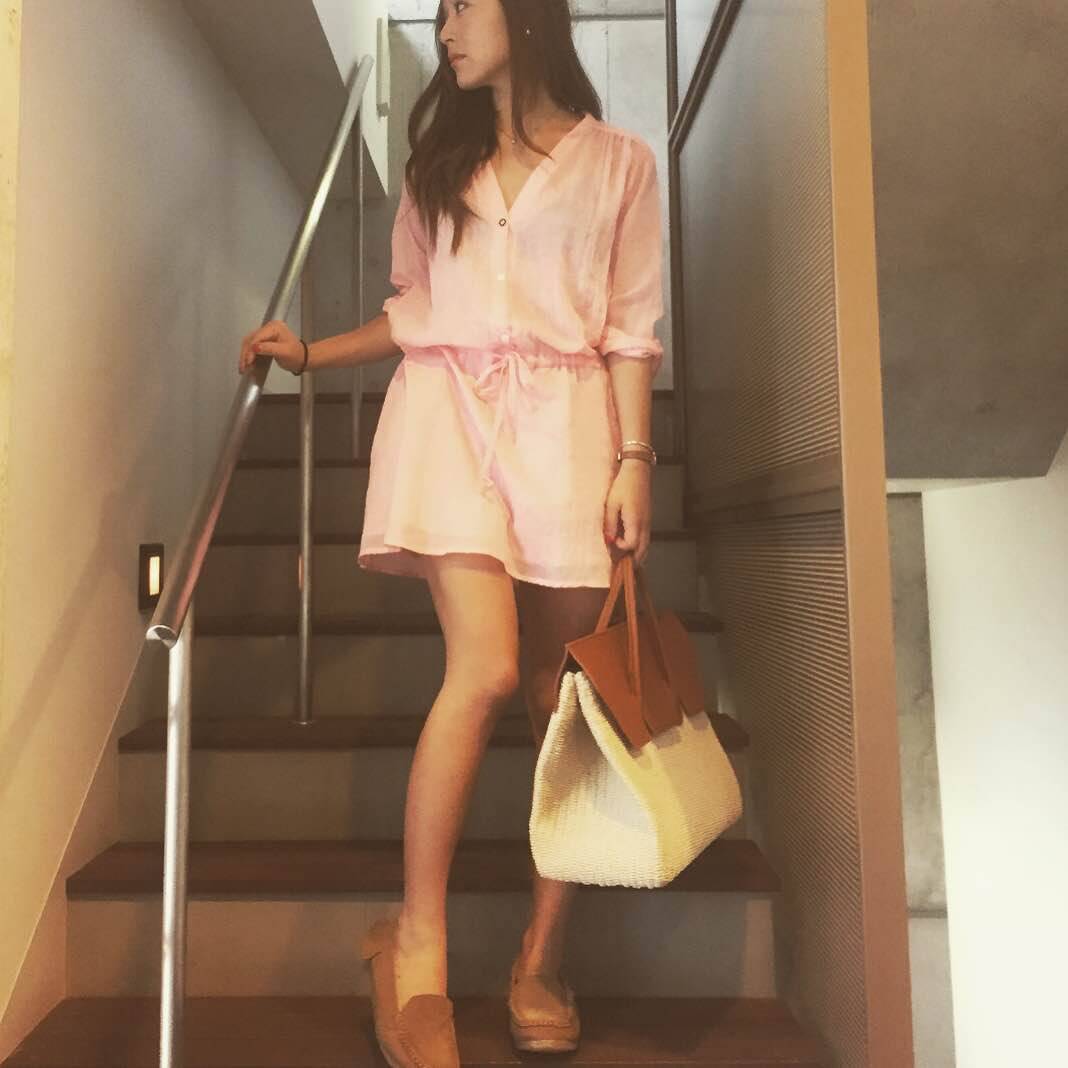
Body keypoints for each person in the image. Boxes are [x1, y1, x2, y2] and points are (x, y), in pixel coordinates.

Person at [238, 1, 664, 1064]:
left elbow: (630, 331)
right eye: (436, 14)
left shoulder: (621, 164)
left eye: (462, 7)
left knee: (559, 701)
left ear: (527, 14)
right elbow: (412, 308)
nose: (444, 31)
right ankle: (416, 946)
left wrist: (635, 461)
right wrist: (312, 356)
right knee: (484, 669)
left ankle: (541, 957)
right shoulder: (439, 159)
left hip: (571, 432)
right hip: (451, 419)